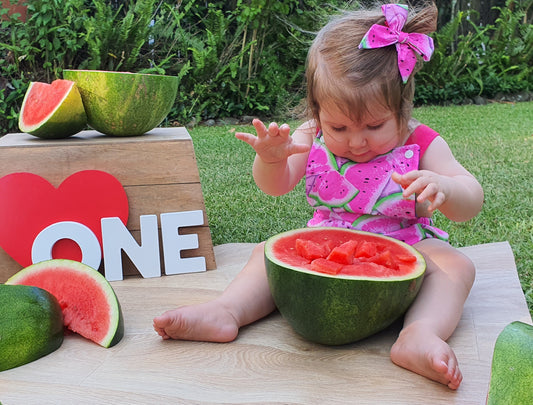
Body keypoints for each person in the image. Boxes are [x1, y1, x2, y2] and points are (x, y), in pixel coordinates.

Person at [153, 2, 483, 390]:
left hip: (406, 246)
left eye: (375, 126)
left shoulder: (422, 141)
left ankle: (420, 333)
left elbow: (472, 197)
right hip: (327, 243)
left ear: (402, 108)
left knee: (456, 267)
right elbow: (275, 186)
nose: (357, 141)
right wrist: (272, 160)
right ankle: (227, 311)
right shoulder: (312, 134)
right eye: (339, 126)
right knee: (266, 252)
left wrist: (446, 188)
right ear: (318, 111)